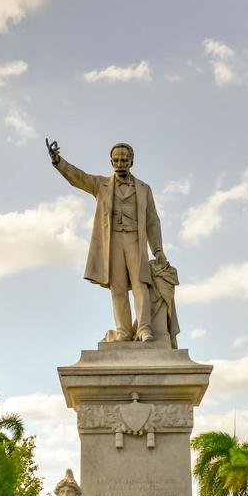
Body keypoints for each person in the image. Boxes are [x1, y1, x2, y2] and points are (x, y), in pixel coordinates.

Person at [46, 139, 167, 343]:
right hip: (112, 242)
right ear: (111, 162)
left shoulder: (144, 188)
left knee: (141, 285)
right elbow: (78, 178)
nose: (120, 164)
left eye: (124, 160)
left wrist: (158, 250)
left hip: (135, 240)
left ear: (132, 161)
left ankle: (144, 329)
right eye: (116, 160)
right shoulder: (101, 185)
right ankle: (124, 332)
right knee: (118, 289)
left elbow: (152, 221)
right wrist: (59, 161)